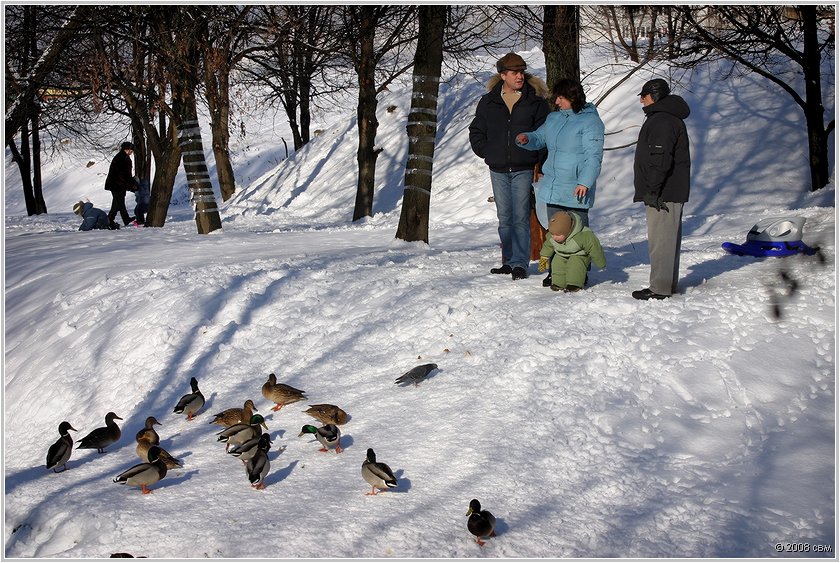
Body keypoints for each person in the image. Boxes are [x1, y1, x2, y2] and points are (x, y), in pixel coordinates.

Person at [515, 78, 605, 286]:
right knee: (555, 232)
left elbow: (593, 156)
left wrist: (585, 182)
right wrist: (527, 139)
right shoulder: (554, 119)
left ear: (573, 97)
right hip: (554, 185)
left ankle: (579, 270)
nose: (556, 102)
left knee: (577, 233)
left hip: (576, 187)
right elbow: (540, 137)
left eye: (561, 98)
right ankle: (555, 270)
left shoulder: (591, 122)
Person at [469, 52, 550, 281]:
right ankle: (509, 261)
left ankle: (520, 264)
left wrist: (536, 157)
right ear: (503, 75)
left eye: (522, 72)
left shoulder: (535, 101)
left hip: (524, 167)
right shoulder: (488, 101)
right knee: (504, 218)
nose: (520, 76)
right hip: (498, 168)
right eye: (515, 72)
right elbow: (476, 130)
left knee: (520, 217)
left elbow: (544, 133)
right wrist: (486, 151)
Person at [631, 78, 691, 300]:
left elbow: (660, 159)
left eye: (644, 96)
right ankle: (666, 284)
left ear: (654, 96)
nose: (641, 100)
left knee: (661, 242)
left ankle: (659, 288)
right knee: (667, 240)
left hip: (663, 192)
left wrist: (652, 190)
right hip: (669, 190)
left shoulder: (662, 120)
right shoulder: (666, 117)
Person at [538, 210, 606, 292]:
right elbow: (548, 246)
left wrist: (600, 263)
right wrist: (544, 257)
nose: (554, 237)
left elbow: (595, 248)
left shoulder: (583, 235)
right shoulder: (552, 236)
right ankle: (559, 283)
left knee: (575, 263)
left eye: (558, 235)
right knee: (557, 262)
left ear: (568, 231)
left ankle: (574, 284)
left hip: (580, 254)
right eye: (552, 234)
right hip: (562, 254)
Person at [105, 141, 137, 228]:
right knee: (119, 202)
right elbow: (125, 174)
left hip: (115, 184)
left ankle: (110, 220)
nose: (131, 152)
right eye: (131, 150)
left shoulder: (120, 157)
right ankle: (122, 219)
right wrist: (131, 184)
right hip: (118, 184)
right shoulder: (124, 158)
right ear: (126, 149)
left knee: (117, 202)